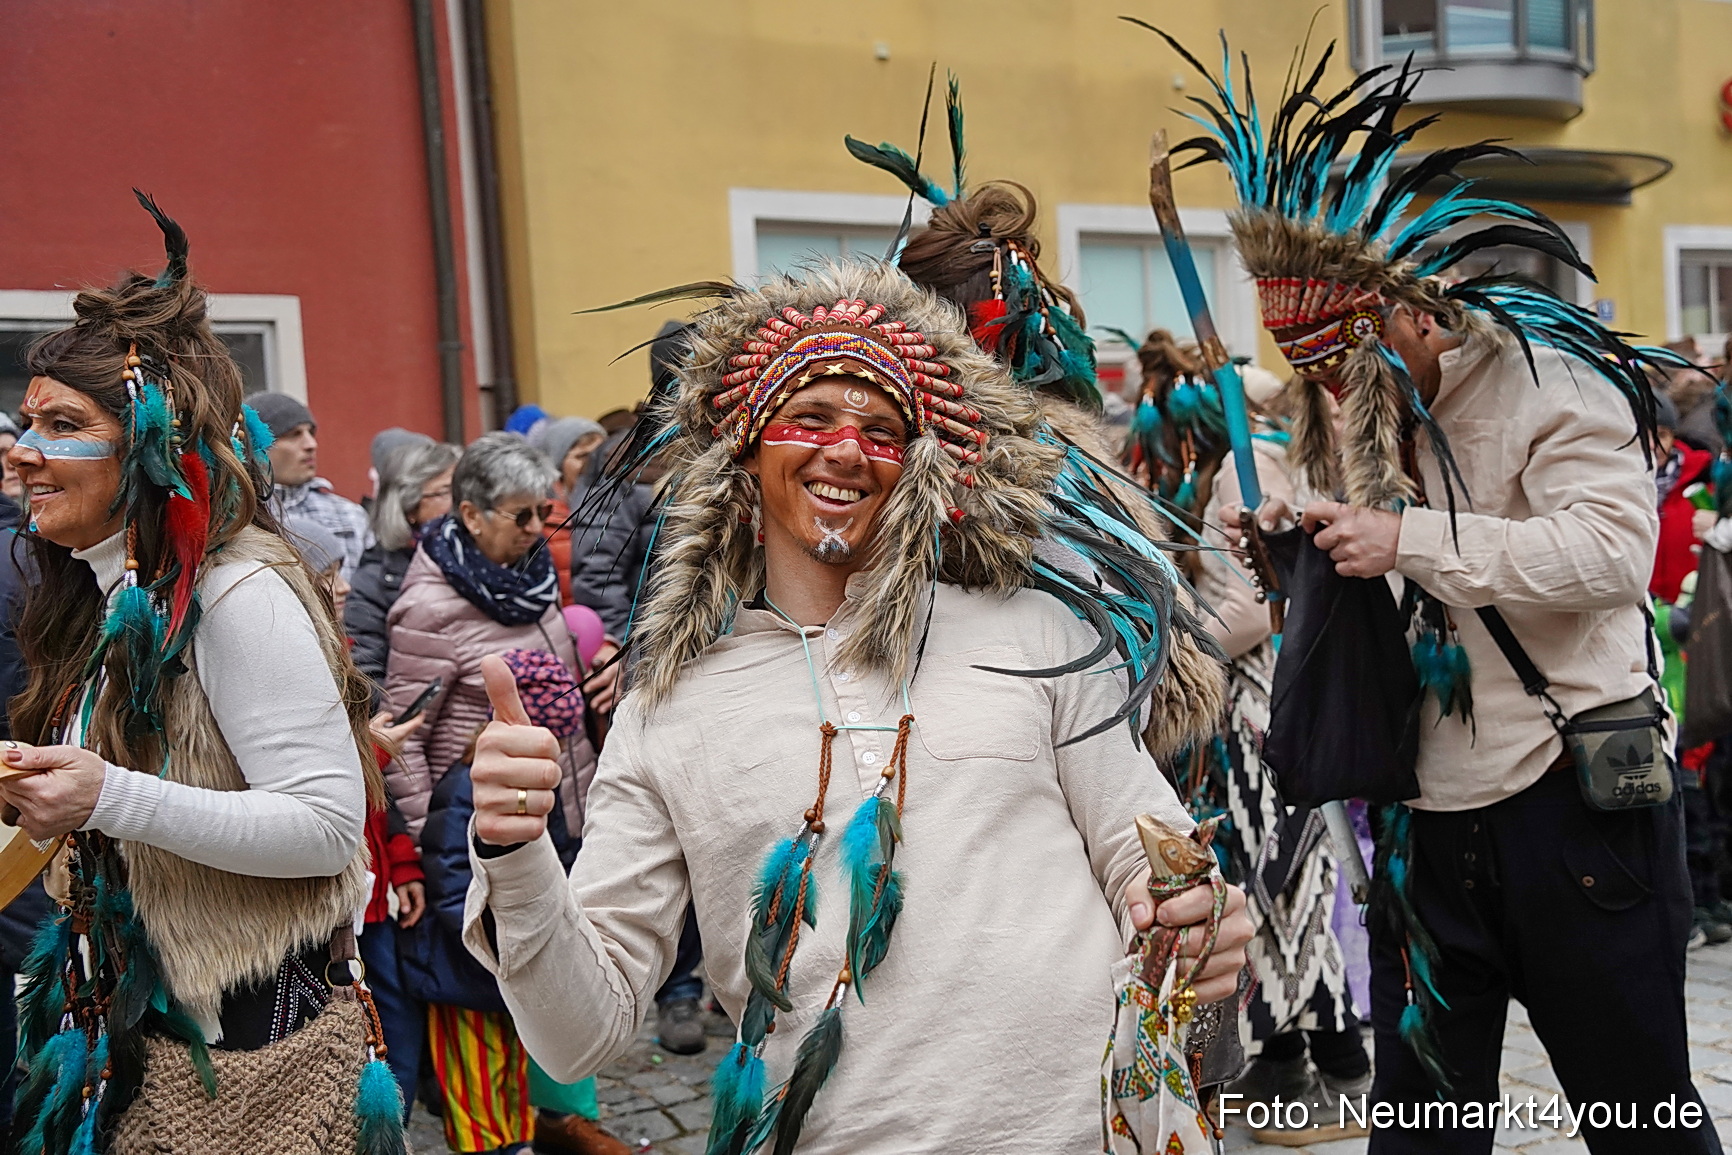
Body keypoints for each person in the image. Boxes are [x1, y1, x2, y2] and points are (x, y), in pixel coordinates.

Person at [463, 261, 1253, 1153]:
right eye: (811, 417)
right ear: (747, 448)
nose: (845, 449)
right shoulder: (668, 708)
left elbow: (1142, 850)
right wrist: (516, 852)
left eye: (881, 430)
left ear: (920, 468)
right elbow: (582, 1032)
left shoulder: (1037, 634)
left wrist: (1197, 917)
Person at [1163, 34, 1720, 1151]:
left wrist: (1404, 534)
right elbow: (1332, 597)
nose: (1326, 389)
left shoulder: (1548, 374)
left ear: (1407, 309)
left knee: (1639, 1118)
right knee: (1422, 1130)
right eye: (1308, 368)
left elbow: (1610, 555)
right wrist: (1290, 561)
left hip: (1572, 806)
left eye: (1340, 360)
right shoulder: (1343, 404)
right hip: (1421, 821)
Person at [3, 195, 400, 1150]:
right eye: (26, 422)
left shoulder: (235, 590)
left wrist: (106, 795)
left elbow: (324, 825)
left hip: (254, 1054)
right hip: (130, 1028)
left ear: (147, 446)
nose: (23, 451)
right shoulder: (100, 588)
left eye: (61, 424)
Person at [847, 93, 1227, 761]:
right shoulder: (935, 455)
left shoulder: (1046, 449)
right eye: (1028, 308)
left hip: (1072, 745)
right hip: (989, 752)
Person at [409, 653, 628, 1155]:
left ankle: (526, 1138)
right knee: (477, 1082)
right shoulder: (468, 790)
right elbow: (450, 887)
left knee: (513, 1064)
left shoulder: (537, 792)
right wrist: (505, 941)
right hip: (465, 976)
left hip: (510, 976)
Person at [382, 431, 596, 839]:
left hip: (565, 808)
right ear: (472, 515)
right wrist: (430, 839)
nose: (536, 527)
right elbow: (406, 739)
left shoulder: (534, 573)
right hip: (485, 823)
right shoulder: (429, 608)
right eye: (520, 515)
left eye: (543, 510)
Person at [347, 439, 461, 685]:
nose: (461, 503)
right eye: (444, 492)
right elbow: (368, 678)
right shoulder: (372, 583)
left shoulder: (476, 560)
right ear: (409, 508)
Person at [252, 388, 373, 581]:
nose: (311, 444)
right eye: (293, 434)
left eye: (311, 433)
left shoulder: (348, 514)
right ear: (259, 447)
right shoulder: (240, 517)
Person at [528, 415, 604, 605]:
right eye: (582, 456)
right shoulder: (539, 521)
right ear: (557, 465)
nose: (593, 464)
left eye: (600, 454)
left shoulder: (620, 509)